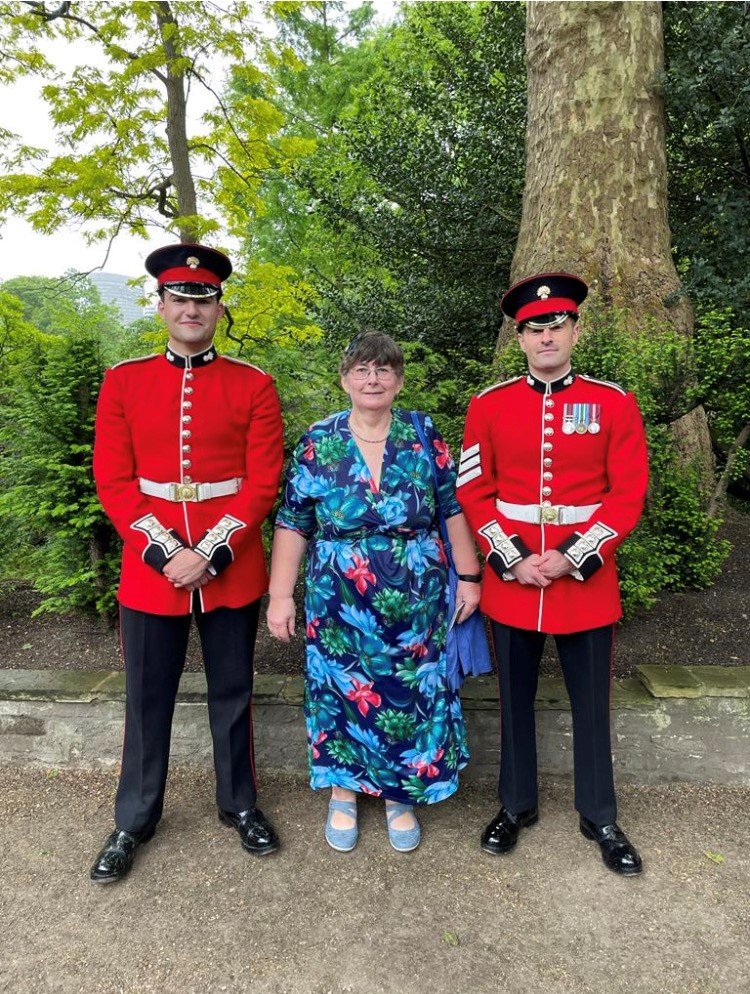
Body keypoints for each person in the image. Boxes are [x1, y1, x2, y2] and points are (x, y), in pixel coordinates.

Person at [89, 243, 284, 883]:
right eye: (180, 298)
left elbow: (261, 481)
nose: (191, 309)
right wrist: (169, 550)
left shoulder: (253, 383)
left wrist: (212, 550)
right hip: (153, 569)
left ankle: (240, 804)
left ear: (219, 307)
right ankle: (134, 818)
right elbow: (115, 481)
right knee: (147, 699)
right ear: (161, 304)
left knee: (233, 692)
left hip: (230, 565)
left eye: (203, 299)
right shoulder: (124, 381)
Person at [457, 272, 649, 876]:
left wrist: (573, 554)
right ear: (520, 338)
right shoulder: (489, 404)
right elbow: (473, 487)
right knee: (513, 699)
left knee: (592, 703)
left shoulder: (613, 401)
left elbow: (627, 493)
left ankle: (601, 815)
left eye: (557, 325)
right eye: (534, 328)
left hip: (583, 580)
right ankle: (515, 806)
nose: (546, 336)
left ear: (575, 330)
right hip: (513, 579)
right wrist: (509, 556)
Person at [267, 331, 481, 852]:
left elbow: (452, 508)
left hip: (418, 594)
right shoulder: (319, 440)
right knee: (342, 690)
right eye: (362, 370)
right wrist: (279, 595)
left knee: (409, 691)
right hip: (338, 596)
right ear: (344, 380)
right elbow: (293, 521)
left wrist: (470, 578)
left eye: (384, 370)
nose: (372, 379)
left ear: (399, 380)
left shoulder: (424, 433)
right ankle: (342, 789)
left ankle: (399, 795)